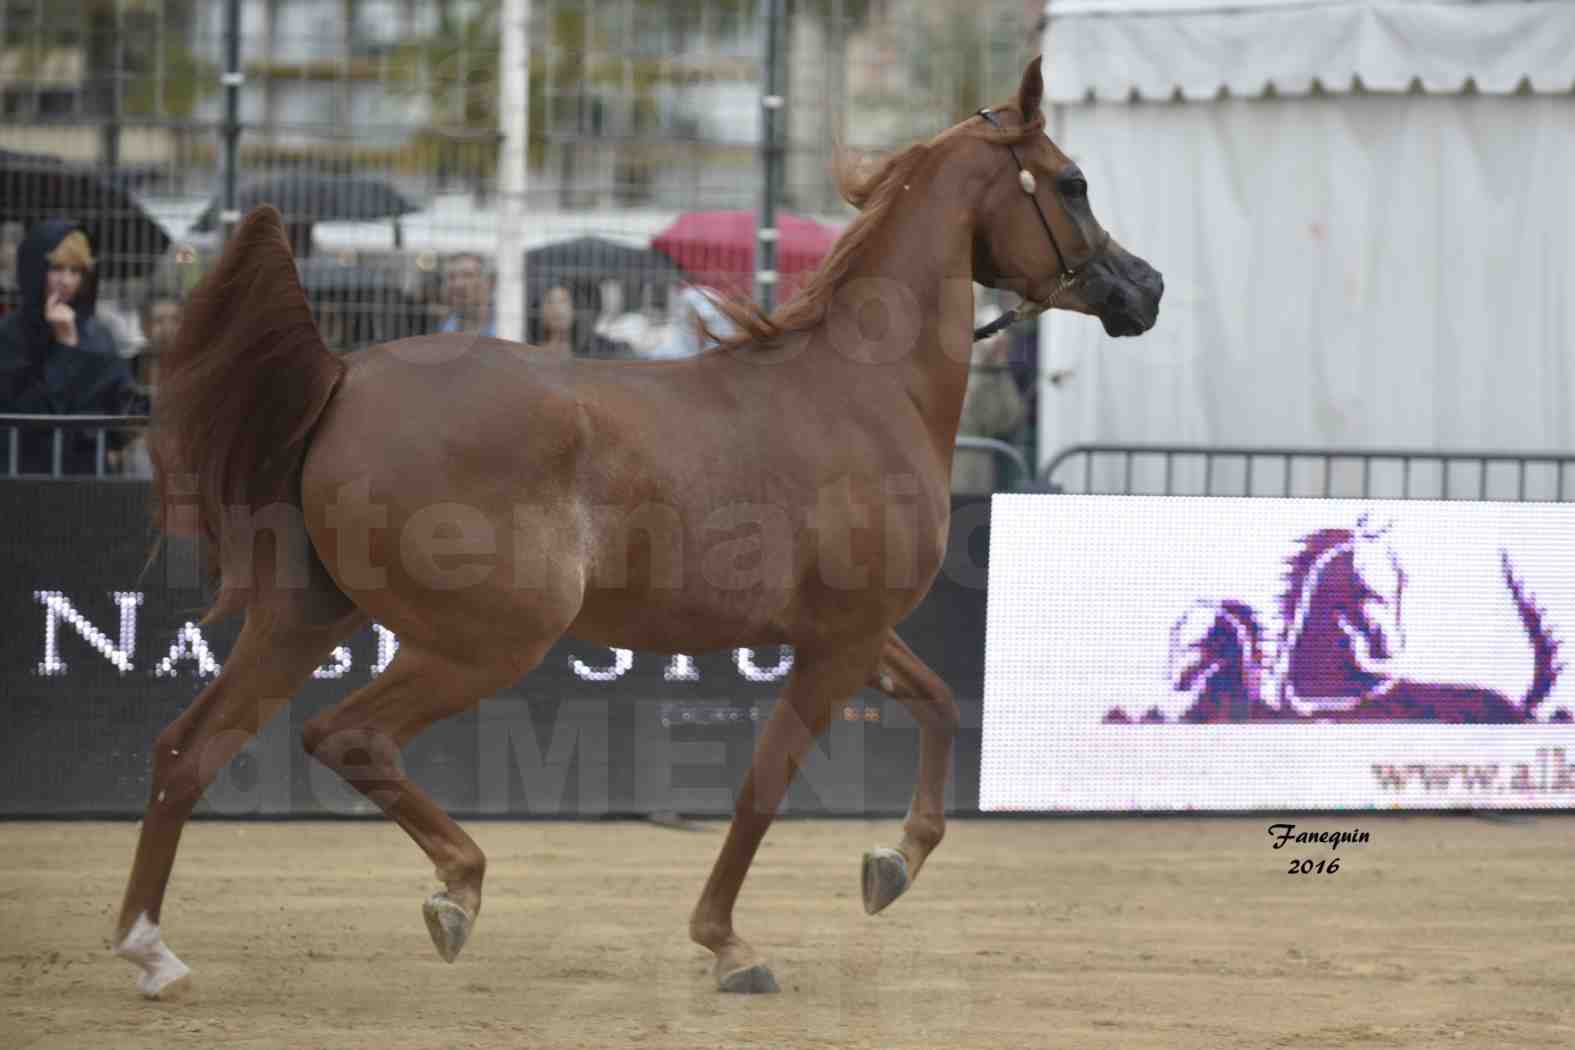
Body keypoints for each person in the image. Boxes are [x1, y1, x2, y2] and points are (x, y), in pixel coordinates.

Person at [0, 219, 142, 475]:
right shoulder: (10, 336)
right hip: (23, 484)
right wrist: (65, 347)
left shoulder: (97, 333)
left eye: (75, 271)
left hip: (88, 483)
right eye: (56, 268)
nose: (66, 281)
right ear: (34, 269)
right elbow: (35, 415)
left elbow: (123, 407)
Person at [951, 305, 1026, 494]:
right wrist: (984, 363)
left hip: (983, 463)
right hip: (957, 460)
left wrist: (999, 366)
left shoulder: (998, 371)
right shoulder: (961, 366)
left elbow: (1011, 417)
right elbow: (965, 413)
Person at [115, 289, 183, 478]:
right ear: (145, 326)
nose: (167, 328)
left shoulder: (194, 369)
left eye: (175, 320)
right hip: (142, 449)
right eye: (159, 321)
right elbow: (123, 419)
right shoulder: (130, 367)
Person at [437, 252, 496, 337]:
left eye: (468, 275)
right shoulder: (446, 328)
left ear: (489, 283)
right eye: (451, 277)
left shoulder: (509, 325)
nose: (458, 284)